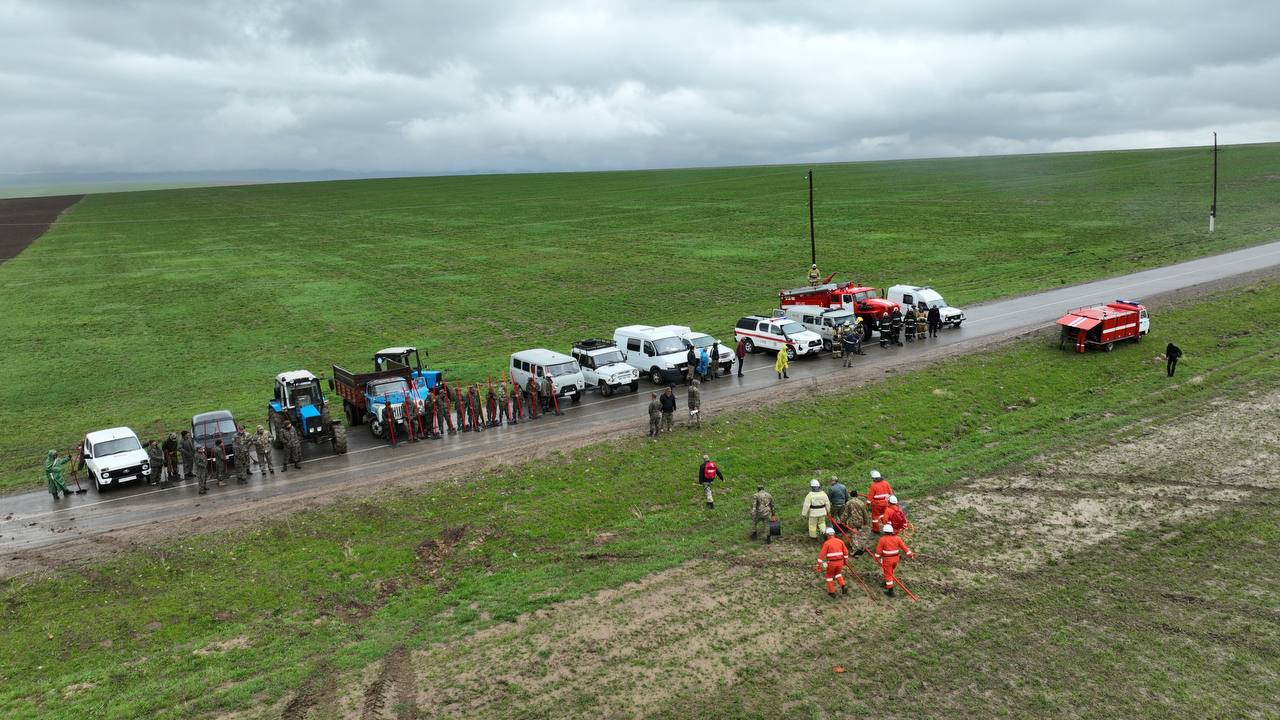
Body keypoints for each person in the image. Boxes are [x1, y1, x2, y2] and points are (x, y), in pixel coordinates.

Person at [872, 523, 914, 596]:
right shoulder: (897, 538)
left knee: (888, 575)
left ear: (884, 531)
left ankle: (890, 592)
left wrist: (876, 558)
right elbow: (904, 548)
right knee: (891, 572)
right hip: (896, 559)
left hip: (887, 560)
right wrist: (910, 555)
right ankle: (886, 583)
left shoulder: (882, 539)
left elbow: (878, 551)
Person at [817, 526, 850, 597]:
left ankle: (832, 592)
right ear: (833, 534)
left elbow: (821, 555)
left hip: (832, 563)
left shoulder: (827, 543)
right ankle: (843, 586)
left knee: (829, 576)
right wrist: (845, 561)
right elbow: (846, 552)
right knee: (838, 574)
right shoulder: (840, 541)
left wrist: (818, 565)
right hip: (840, 562)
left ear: (827, 535)